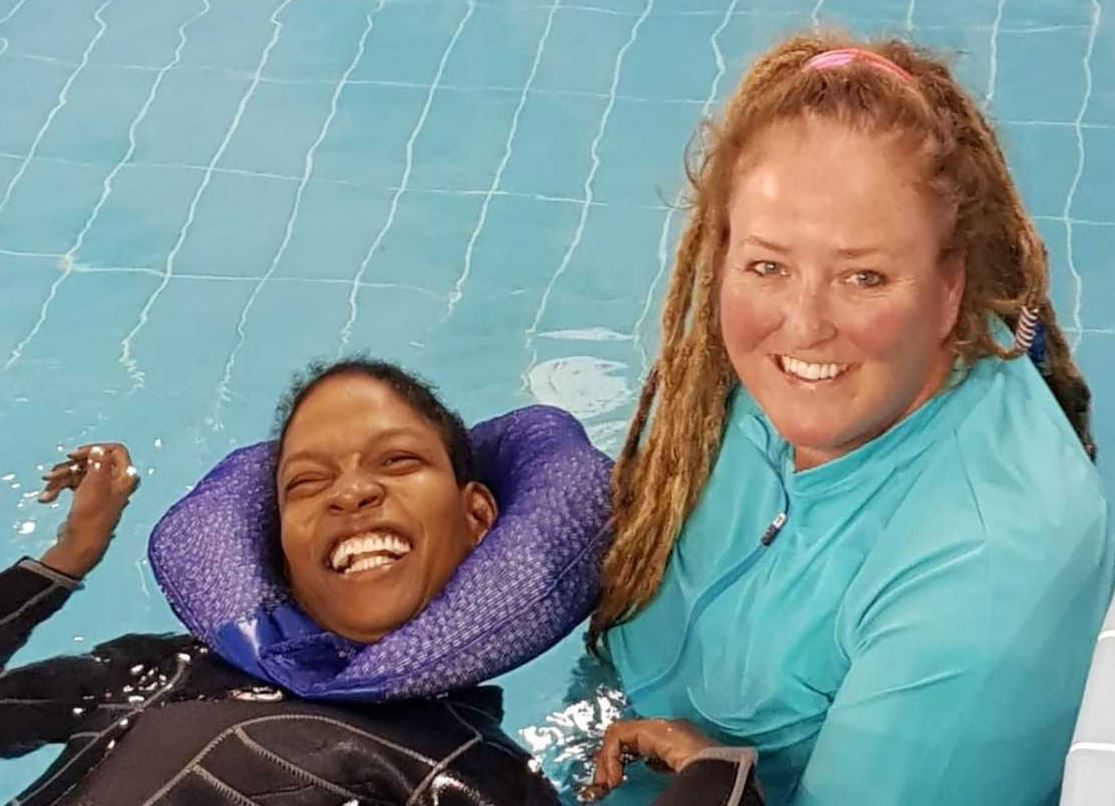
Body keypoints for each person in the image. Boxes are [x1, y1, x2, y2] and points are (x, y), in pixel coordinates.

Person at [586, 33, 1112, 806]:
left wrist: (717, 787)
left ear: (947, 289)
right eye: (767, 265)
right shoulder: (731, 365)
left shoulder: (985, 564)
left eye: (862, 277)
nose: (801, 326)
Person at [1, 359, 559, 805]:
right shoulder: (159, 671)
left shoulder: (476, 775)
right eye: (308, 482)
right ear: (285, 553)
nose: (351, 493)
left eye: (397, 460)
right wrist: (65, 559)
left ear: (477, 517)